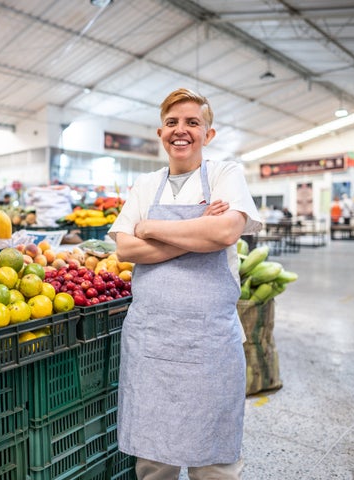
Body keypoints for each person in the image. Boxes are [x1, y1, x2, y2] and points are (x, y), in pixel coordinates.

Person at [108, 88, 262, 480]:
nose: (182, 130)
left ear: (208, 134)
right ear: (161, 133)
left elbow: (226, 231)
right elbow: (126, 247)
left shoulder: (225, 174)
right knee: (154, 458)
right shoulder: (145, 184)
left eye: (193, 122)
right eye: (173, 122)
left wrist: (152, 227)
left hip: (208, 341)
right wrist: (196, 231)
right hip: (152, 339)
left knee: (214, 460)